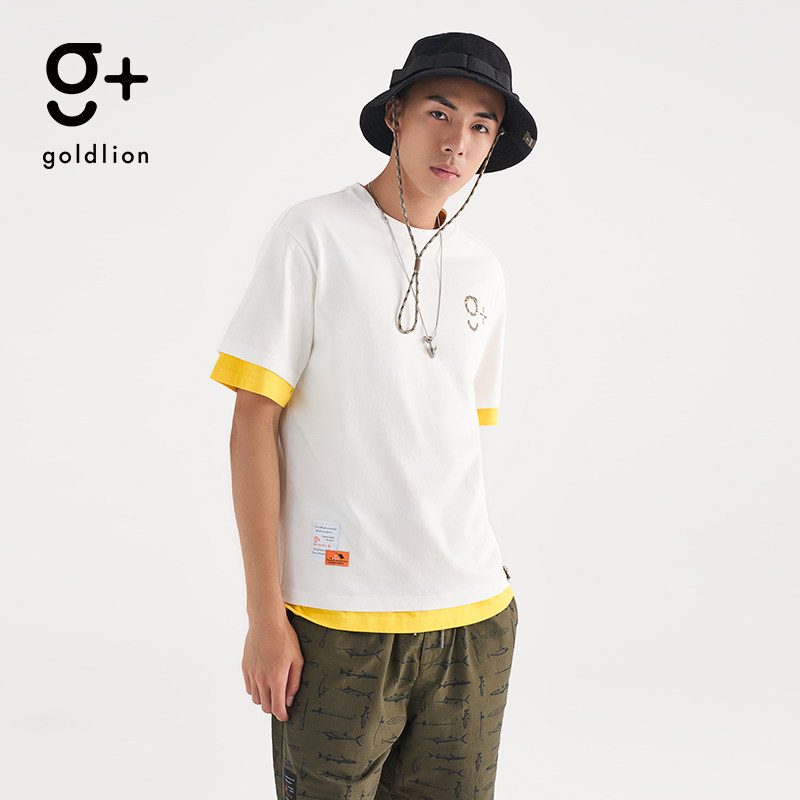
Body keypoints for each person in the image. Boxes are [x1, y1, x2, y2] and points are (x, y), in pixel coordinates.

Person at [210, 31, 538, 800]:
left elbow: (447, 440)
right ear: (395, 114)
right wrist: (265, 613)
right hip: (337, 621)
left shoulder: (484, 272)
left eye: (482, 126)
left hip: (474, 616)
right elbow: (253, 423)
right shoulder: (313, 235)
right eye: (439, 113)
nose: (457, 143)